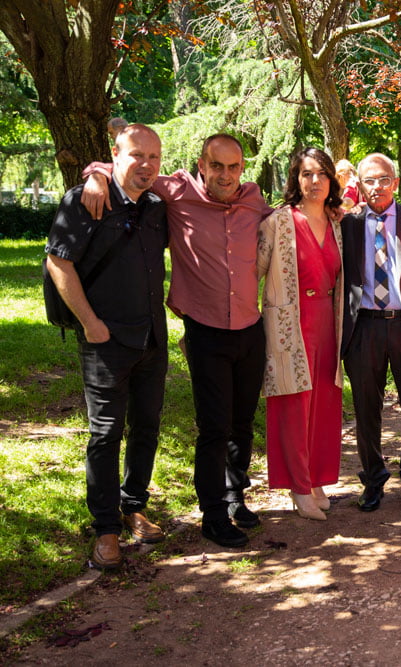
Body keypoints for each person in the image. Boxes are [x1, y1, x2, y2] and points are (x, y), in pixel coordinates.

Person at [82, 133, 272, 549]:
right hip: (205, 330)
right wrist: (95, 175)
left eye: (234, 166)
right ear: (202, 165)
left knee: (243, 423)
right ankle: (213, 515)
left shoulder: (254, 199)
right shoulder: (178, 191)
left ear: (243, 168)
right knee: (214, 426)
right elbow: (130, 173)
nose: (226, 175)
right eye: (217, 166)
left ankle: (236, 496)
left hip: (249, 327)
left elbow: (286, 222)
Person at [46, 124, 168, 569]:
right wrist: (90, 324)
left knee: (146, 428)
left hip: (152, 338)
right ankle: (106, 530)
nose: (147, 165)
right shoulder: (85, 200)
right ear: (114, 156)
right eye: (137, 155)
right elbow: (59, 261)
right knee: (105, 435)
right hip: (105, 342)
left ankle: (134, 506)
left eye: (154, 157)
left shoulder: (156, 205)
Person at [257, 148, 344, 521]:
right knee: (295, 404)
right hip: (290, 322)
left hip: (329, 321)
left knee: (324, 402)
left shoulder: (337, 221)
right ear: (295, 179)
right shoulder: (278, 221)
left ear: (331, 181)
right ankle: (298, 485)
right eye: (306, 174)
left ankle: (318, 478)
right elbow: (253, 271)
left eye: (322, 174)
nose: (314, 182)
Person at [341, 154, 401, 512]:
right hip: (364, 325)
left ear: (395, 181)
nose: (376, 187)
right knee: (366, 407)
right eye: (369, 180)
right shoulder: (347, 223)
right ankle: (373, 479)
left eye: (383, 179)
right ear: (359, 185)